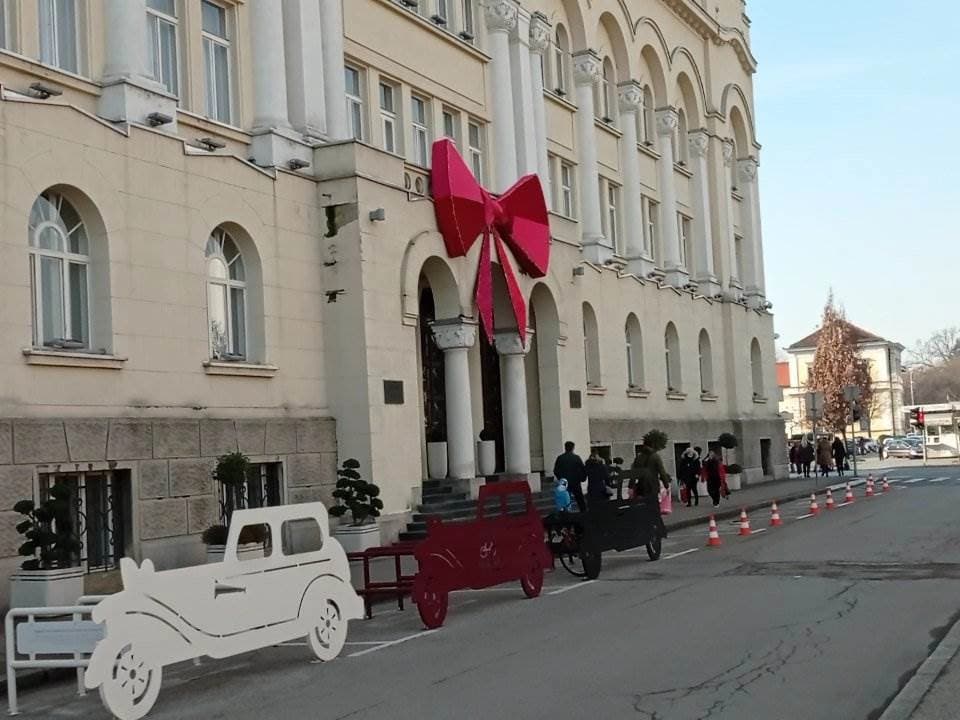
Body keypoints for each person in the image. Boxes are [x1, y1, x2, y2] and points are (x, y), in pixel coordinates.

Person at [631, 444, 671, 538]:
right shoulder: (655, 457)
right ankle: (661, 531)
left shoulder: (638, 458)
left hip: (641, 488)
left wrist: (630, 487)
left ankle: (644, 529)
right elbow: (662, 472)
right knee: (655, 509)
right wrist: (666, 485)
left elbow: (633, 473)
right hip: (652, 487)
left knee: (642, 508)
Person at [553, 441, 586, 512]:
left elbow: (556, 470)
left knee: (564, 500)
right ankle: (584, 513)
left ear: (565, 448)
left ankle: (565, 514)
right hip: (575, 482)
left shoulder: (560, 458)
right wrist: (582, 478)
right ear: (573, 448)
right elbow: (583, 469)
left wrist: (561, 478)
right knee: (580, 500)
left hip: (564, 483)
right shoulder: (576, 458)